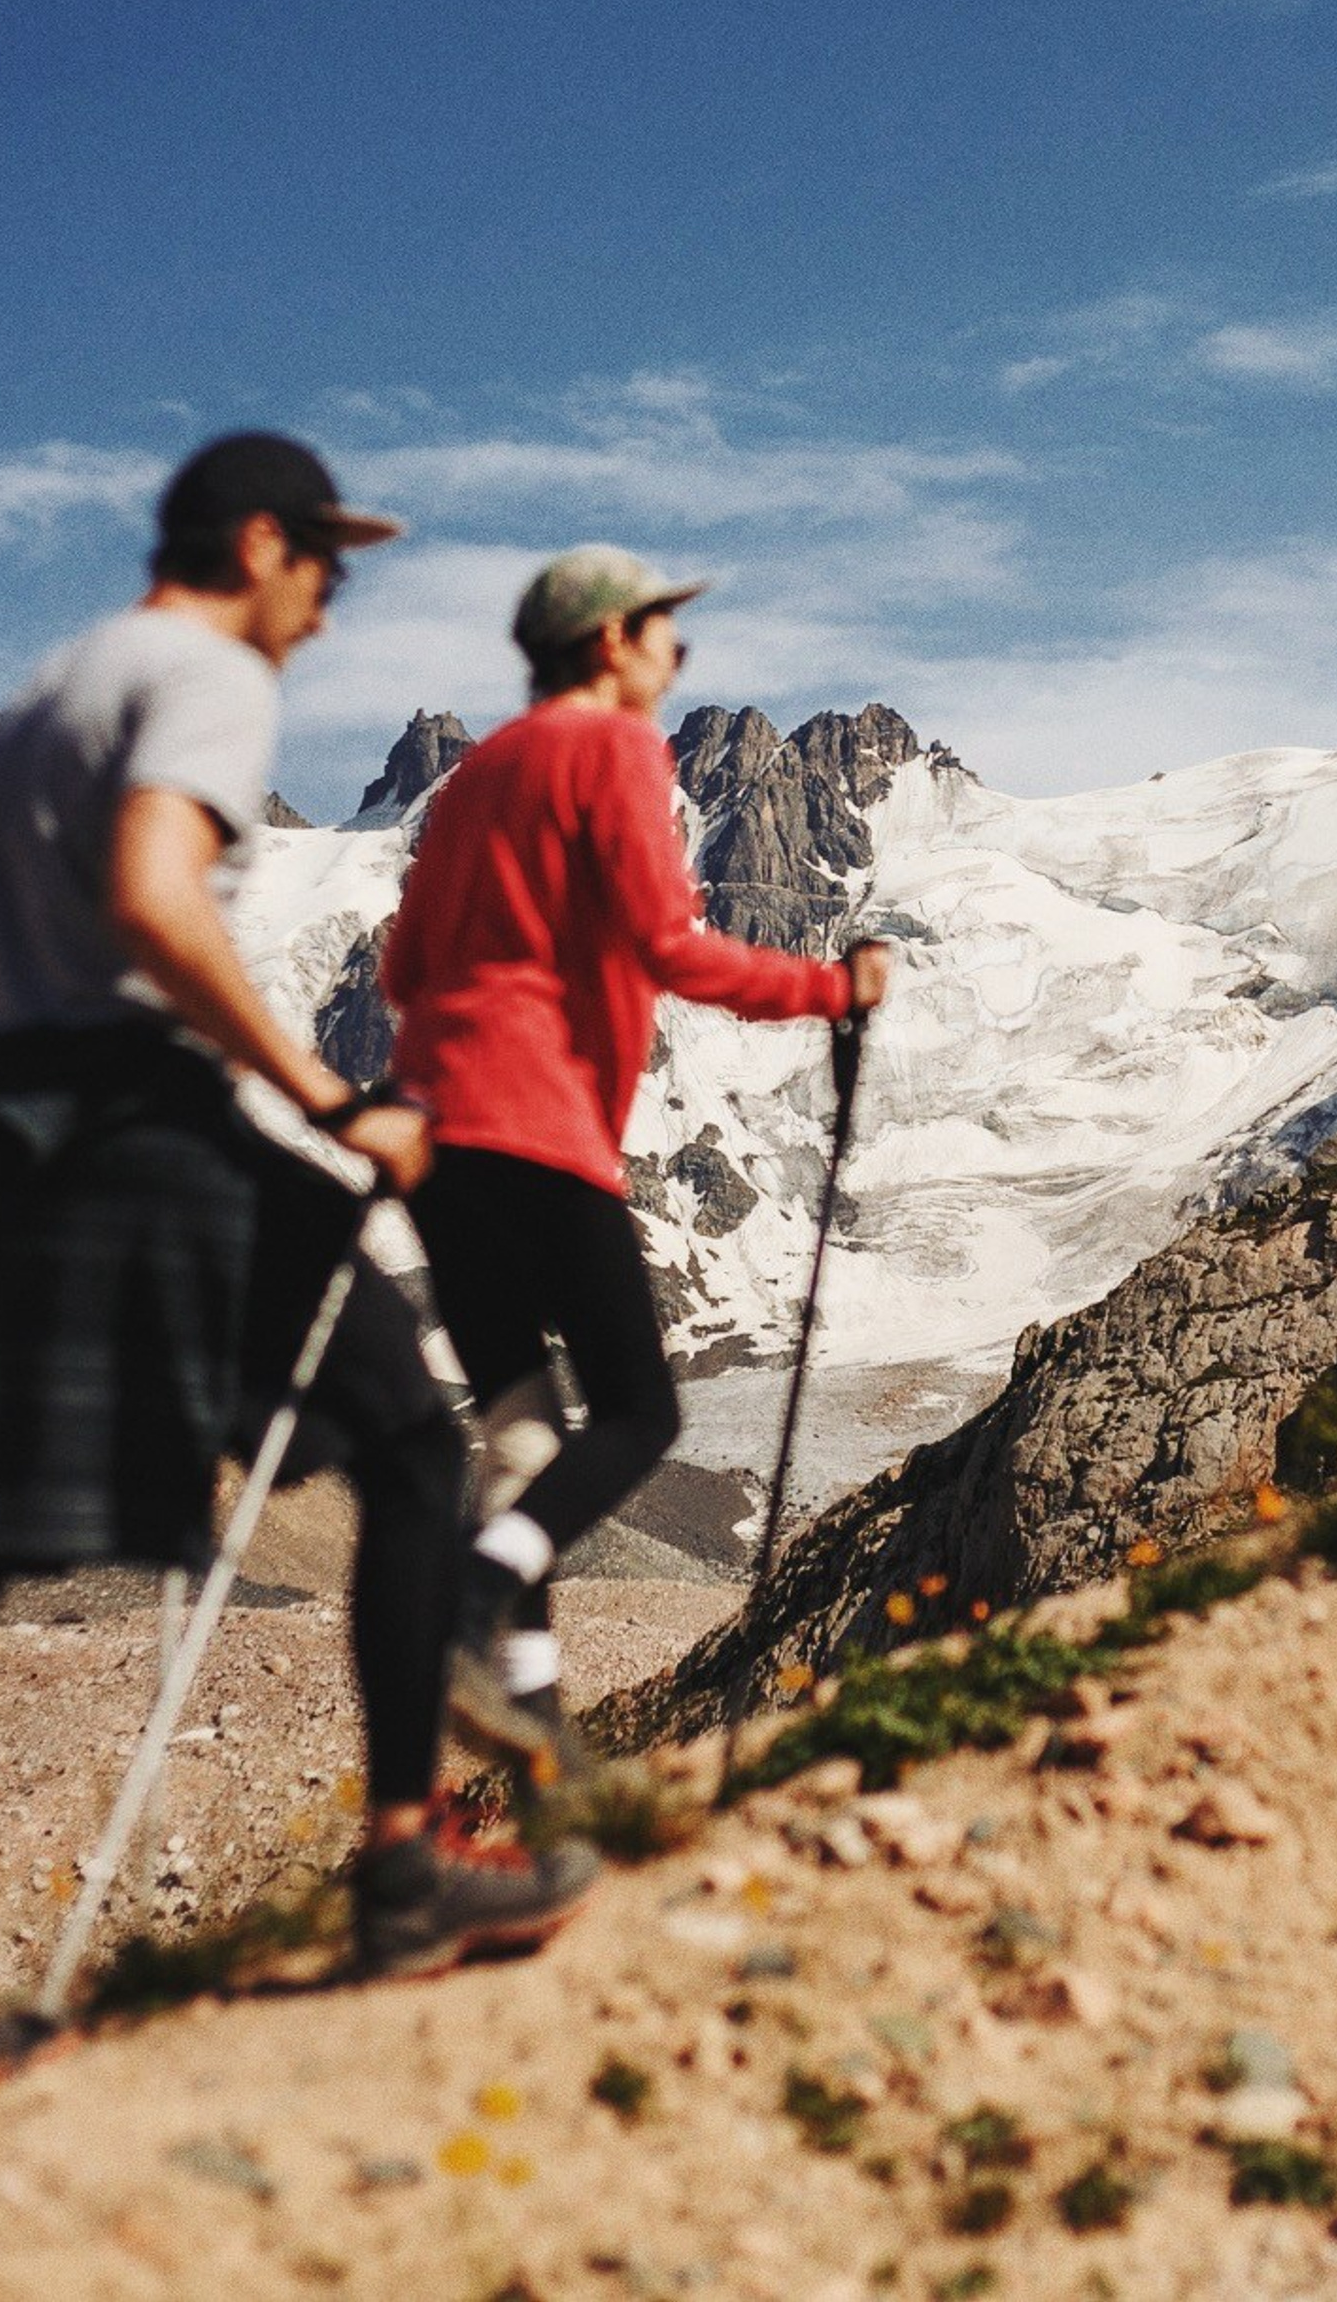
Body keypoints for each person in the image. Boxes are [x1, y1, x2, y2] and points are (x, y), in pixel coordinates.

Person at [0, 434, 596, 2129]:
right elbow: (162, 894)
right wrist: (326, 1097)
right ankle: (402, 1875)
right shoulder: (206, 674)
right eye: (326, 568)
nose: (328, 608)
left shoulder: (35, 705)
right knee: (403, 1440)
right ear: (259, 544)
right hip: (156, 1136)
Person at [385, 545, 890, 1778]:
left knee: (517, 1436)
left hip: (442, 1139)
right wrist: (829, 989)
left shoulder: (469, 782)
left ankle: (536, 1746)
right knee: (640, 1410)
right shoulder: (610, 747)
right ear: (610, 642)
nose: (680, 650)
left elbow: (403, 974)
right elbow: (674, 946)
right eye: (668, 626)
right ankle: (470, 1600)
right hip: (539, 1122)